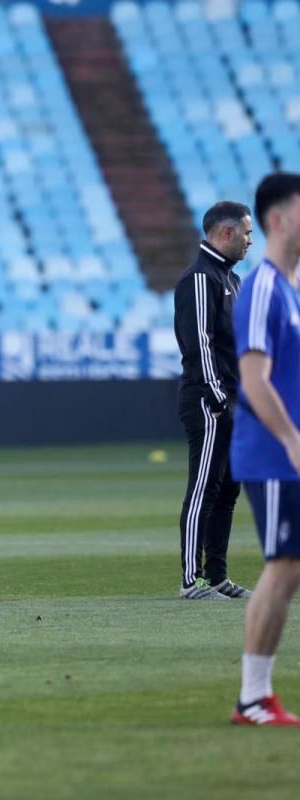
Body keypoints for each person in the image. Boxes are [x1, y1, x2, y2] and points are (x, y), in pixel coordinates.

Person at [229, 172, 300, 725]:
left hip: (288, 452)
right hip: (275, 456)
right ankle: (253, 696)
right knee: (282, 567)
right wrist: (292, 439)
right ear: (279, 218)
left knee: (290, 568)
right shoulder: (264, 287)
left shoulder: (291, 289)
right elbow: (255, 379)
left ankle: (260, 693)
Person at [173, 200, 255, 599]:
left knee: (227, 491)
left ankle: (217, 576)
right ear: (227, 233)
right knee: (204, 486)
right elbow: (199, 344)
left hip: (233, 401)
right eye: (247, 233)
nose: (250, 241)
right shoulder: (201, 279)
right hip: (209, 401)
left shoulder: (229, 280)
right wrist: (220, 399)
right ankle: (192, 580)